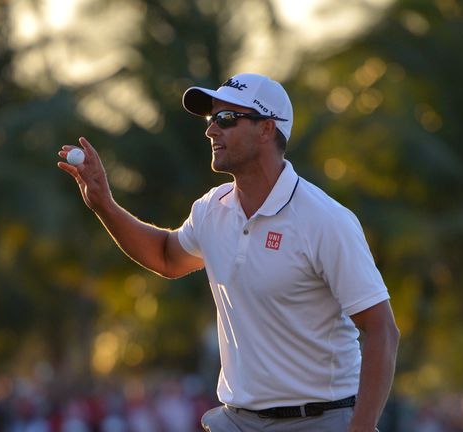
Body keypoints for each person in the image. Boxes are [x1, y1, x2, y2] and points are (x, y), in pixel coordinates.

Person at [57, 73, 400, 432]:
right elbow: (165, 257)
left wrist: (362, 428)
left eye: (225, 119)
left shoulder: (325, 220)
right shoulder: (211, 209)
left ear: (267, 129)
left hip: (319, 420)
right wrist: (105, 206)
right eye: (211, 120)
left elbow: (382, 331)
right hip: (236, 419)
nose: (210, 131)